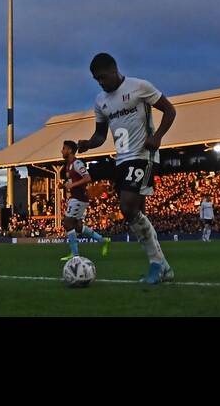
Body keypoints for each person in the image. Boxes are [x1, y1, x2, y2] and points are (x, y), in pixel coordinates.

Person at [75, 52, 177, 285]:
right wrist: (88, 144)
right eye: (96, 79)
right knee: (135, 214)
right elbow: (101, 134)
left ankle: (156, 264)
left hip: (142, 155)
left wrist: (158, 137)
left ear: (114, 70)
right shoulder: (100, 100)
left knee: (127, 207)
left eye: (102, 77)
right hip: (121, 160)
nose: (100, 82)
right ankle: (164, 268)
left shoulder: (140, 87)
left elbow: (170, 110)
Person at [60, 141, 108, 259]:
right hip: (76, 197)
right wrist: (64, 185)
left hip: (79, 198)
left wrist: (72, 185)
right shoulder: (68, 165)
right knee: (77, 227)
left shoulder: (77, 163)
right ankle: (102, 240)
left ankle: (75, 254)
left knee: (67, 222)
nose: (62, 151)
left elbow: (88, 178)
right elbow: (73, 182)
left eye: (64, 148)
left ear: (70, 150)